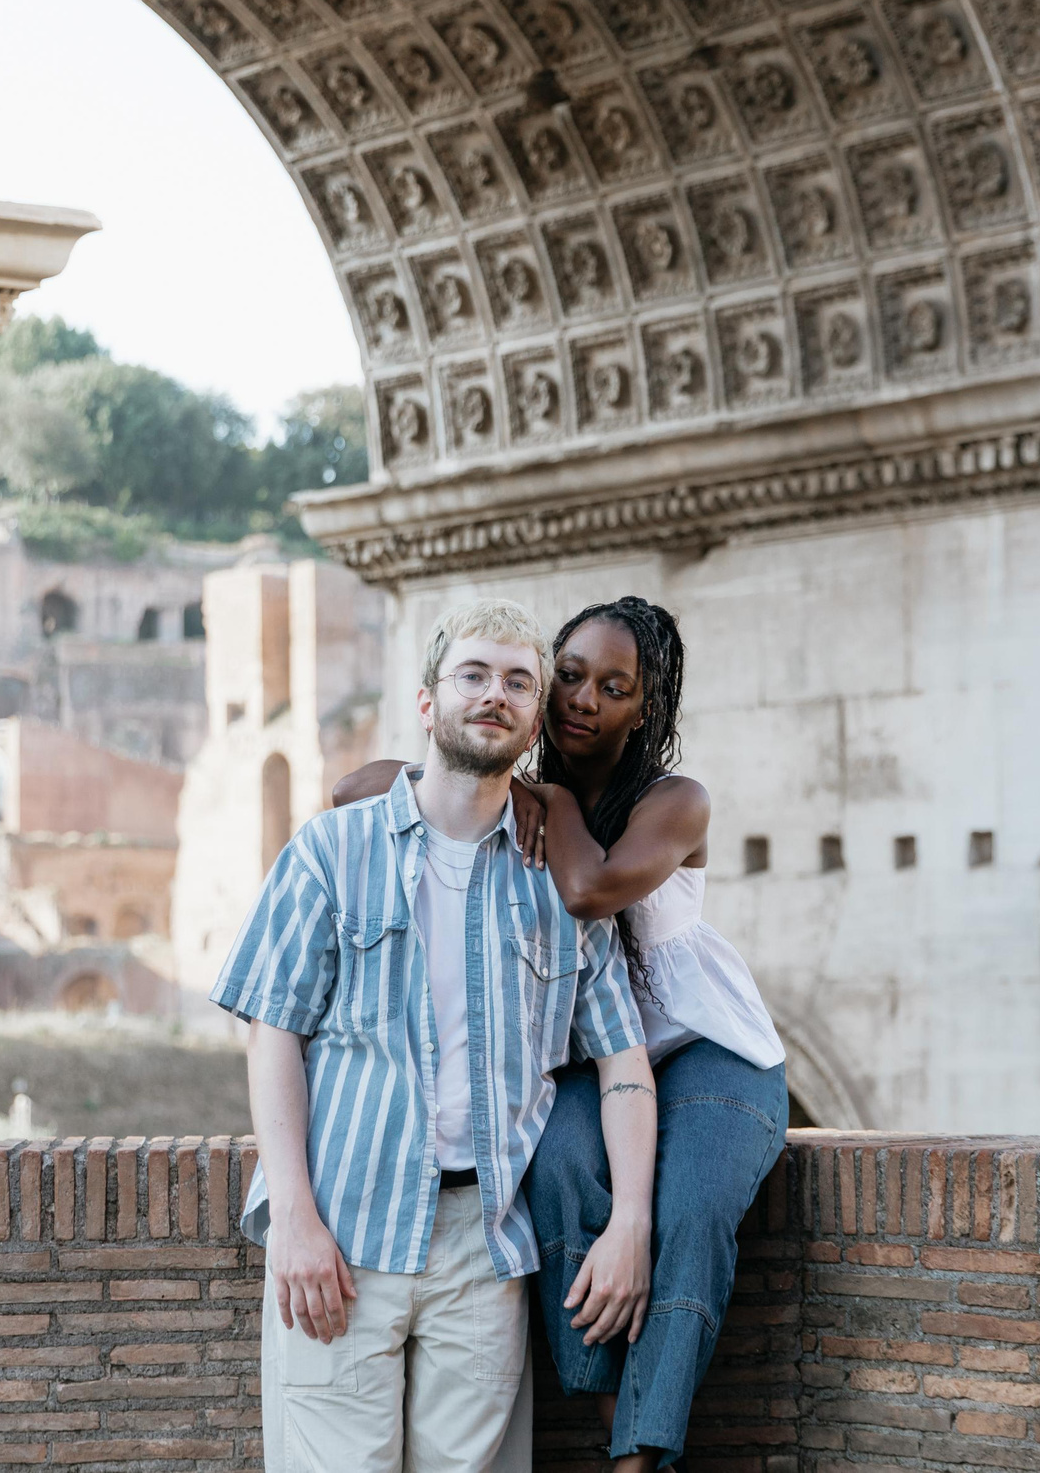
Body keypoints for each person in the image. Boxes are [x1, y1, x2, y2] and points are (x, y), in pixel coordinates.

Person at [337, 596, 788, 1473]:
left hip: (707, 1048)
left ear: (644, 707)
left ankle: (637, 1457)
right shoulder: (512, 786)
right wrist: (495, 776)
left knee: (691, 1207)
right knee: (554, 1167)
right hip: (599, 1060)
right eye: (570, 676)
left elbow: (591, 889)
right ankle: (609, 1391)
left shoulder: (674, 800)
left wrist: (543, 796)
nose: (584, 699)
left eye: (611, 687)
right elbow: (352, 790)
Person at [212, 599, 661, 1473]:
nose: (495, 693)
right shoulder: (331, 852)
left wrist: (632, 1222)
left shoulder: (556, 890)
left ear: (535, 722)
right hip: (342, 1237)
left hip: (482, 1251)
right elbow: (273, 1035)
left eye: (519, 682)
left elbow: (624, 1062)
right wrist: (295, 1218)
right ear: (428, 703)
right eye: (474, 673)